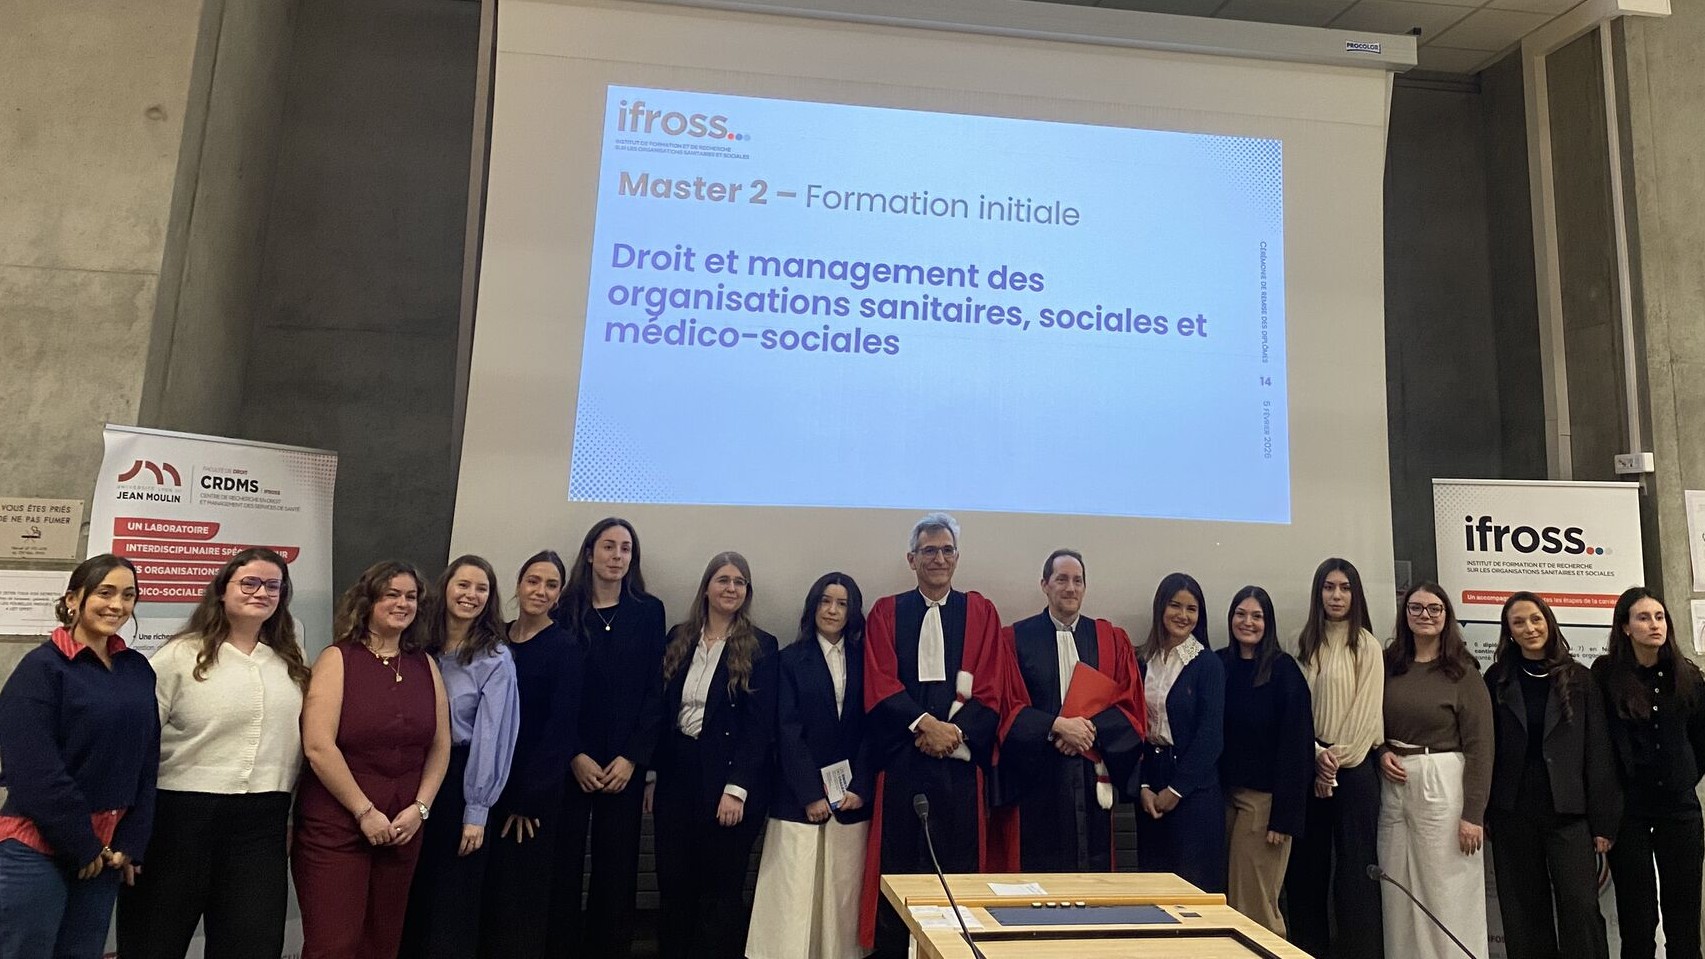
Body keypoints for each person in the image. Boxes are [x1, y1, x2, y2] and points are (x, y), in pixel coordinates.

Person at [116, 548, 309, 959]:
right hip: (179, 818)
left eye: (272, 586)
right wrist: (131, 829)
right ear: (222, 590)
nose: (261, 593)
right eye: (249, 583)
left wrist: (291, 814)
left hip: (261, 824)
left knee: (252, 945)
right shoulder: (179, 656)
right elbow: (140, 746)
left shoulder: (291, 661)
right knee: (154, 942)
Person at [859, 513, 1017, 958]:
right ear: (912, 559)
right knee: (899, 872)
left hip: (959, 768)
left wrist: (954, 733)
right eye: (929, 550)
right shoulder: (887, 612)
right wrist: (924, 725)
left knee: (958, 876)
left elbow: (992, 688)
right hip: (903, 761)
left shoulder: (980, 613)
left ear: (957, 558)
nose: (939, 558)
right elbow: (880, 681)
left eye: (947, 550)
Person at [0, 555, 157, 959]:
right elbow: (34, 772)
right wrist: (82, 844)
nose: (117, 605)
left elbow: (145, 759)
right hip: (38, 850)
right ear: (73, 599)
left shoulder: (136, 669)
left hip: (104, 855)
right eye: (105, 592)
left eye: (128, 595)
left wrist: (131, 841)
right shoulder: (41, 670)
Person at [293, 560, 451, 959]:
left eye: (411, 596)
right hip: (338, 828)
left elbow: (440, 745)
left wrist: (421, 808)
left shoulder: (425, 664)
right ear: (368, 601)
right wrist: (364, 812)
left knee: (382, 945)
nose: (403, 604)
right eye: (391, 594)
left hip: (402, 829)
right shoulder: (338, 658)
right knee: (334, 946)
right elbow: (318, 746)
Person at [650, 551, 778, 959]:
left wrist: (737, 789)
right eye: (723, 580)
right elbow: (661, 711)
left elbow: (759, 727)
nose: (731, 588)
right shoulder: (679, 637)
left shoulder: (761, 646)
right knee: (674, 885)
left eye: (739, 582)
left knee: (719, 893)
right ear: (706, 587)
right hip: (677, 776)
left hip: (727, 782)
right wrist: (653, 776)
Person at [550, 518, 667, 957]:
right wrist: (574, 754)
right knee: (563, 862)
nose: (617, 556)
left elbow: (654, 690)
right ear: (589, 553)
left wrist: (633, 757)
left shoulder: (648, 611)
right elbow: (555, 692)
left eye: (625, 549)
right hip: (571, 760)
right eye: (608, 546)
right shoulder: (563, 610)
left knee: (616, 867)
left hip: (624, 763)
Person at [1485, 591, 1619, 959]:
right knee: (1524, 913)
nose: (1529, 628)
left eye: (1536, 619)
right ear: (1509, 631)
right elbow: (1487, 747)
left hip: (1569, 814)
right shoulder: (1497, 679)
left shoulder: (1581, 679)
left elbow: (1598, 750)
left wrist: (1603, 822)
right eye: (1518, 622)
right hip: (1513, 812)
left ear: (1549, 622)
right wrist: (1484, 810)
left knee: (1581, 907)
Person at [746, 572, 873, 959]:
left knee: (841, 896)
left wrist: (860, 787)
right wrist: (810, 793)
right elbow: (786, 729)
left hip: (850, 799)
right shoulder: (788, 659)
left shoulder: (866, 660)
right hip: (797, 797)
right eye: (825, 601)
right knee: (793, 895)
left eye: (841, 603)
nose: (832, 610)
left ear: (852, 611)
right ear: (813, 606)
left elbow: (873, 727)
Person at [400, 556, 520, 959]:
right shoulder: (418, 647)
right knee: (410, 895)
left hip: (460, 782)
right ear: (446, 588)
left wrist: (476, 810)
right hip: (410, 777)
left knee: (450, 902)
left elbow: (493, 737)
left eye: (481, 589)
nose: (471, 595)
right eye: (463, 585)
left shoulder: (495, 658)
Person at [997, 549, 1146, 872]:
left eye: (1078, 581)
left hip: (1091, 772)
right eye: (1061, 579)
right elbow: (1008, 705)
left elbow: (1129, 703)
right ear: (1045, 585)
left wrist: (1087, 731)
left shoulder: (1110, 639)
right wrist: (1057, 727)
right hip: (1038, 775)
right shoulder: (1015, 639)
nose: (1070, 588)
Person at [1376, 582, 1492, 959]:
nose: (1424, 615)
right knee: (1398, 888)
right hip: (1394, 783)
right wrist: (1381, 751)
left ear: (1446, 616)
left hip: (1443, 782)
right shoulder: (1388, 664)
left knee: (1446, 889)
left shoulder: (1463, 672)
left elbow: (1480, 747)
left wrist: (1472, 815)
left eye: (1434, 608)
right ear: (1405, 614)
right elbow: (1369, 720)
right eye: (1416, 608)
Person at [479, 551, 584, 958]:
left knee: (519, 902)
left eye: (551, 585)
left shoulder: (565, 648)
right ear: (519, 584)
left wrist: (528, 800)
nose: (541, 591)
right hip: (485, 789)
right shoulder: (494, 639)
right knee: (485, 895)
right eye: (533, 581)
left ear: (559, 594)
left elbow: (560, 730)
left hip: (530, 796)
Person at [1592, 587, 1704, 959]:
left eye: (1659, 617)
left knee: (1683, 920)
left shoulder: (1688, 675)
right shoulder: (1606, 676)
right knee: (1637, 920)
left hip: (1679, 809)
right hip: (1629, 812)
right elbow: (1600, 744)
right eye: (1643, 617)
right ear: (1625, 627)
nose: (1655, 625)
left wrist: (1683, 777)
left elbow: (1700, 740)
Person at [1284, 557, 1385, 959]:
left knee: (1356, 873)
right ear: (1318, 593)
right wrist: (1315, 755)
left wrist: (1333, 762)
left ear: (1355, 594)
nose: (1337, 595)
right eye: (1329, 587)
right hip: (1307, 765)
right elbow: (1293, 711)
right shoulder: (1300, 642)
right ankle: (1309, 950)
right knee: (1306, 871)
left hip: (1354, 770)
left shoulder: (1367, 645)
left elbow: (1367, 715)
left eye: (1345, 588)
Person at [1218, 585, 1312, 936]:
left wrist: (1285, 818)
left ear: (1268, 622)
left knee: (1255, 906)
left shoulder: (1284, 672)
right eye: (1240, 614)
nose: (1248, 622)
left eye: (1256, 616)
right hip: (1225, 798)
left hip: (1265, 805)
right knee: (1228, 903)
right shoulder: (1219, 664)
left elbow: (1297, 747)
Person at [1133, 572, 1225, 893]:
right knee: (1154, 888)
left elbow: (1210, 737)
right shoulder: (1141, 660)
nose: (1183, 615)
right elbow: (1132, 726)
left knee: (1192, 889)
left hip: (1194, 790)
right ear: (1161, 607)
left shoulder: (1207, 664)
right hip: (1150, 785)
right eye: (1175, 605)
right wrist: (1143, 785)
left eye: (1191, 609)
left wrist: (1175, 790)